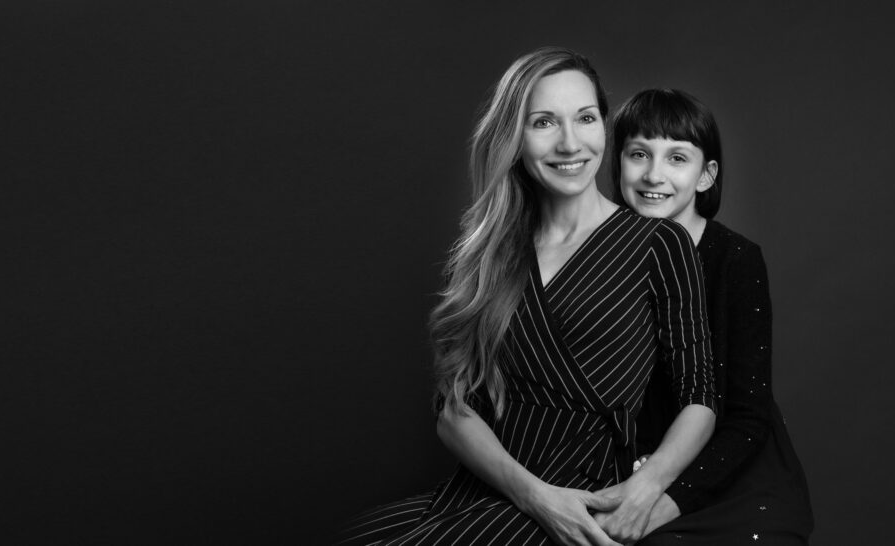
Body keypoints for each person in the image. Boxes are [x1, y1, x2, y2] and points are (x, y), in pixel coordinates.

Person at [338, 48, 717, 546]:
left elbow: (700, 397)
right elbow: (453, 409)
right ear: (514, 139)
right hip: (490, 490)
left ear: (604, 126)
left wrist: (645, 489)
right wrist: (534, 496)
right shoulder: (489, 250)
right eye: (543, 122)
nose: (569, 142)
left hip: (586, 493)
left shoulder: (658, 244)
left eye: (585, 118)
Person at [610, 88, 814, 545]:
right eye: (638, 154)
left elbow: (748, 414)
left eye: (677, 158)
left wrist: (660, 503)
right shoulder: (600, 256)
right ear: (617, 163)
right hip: (630, 465)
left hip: (728, 473)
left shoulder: (735, 260)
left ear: (706, 175)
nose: (653, 174)